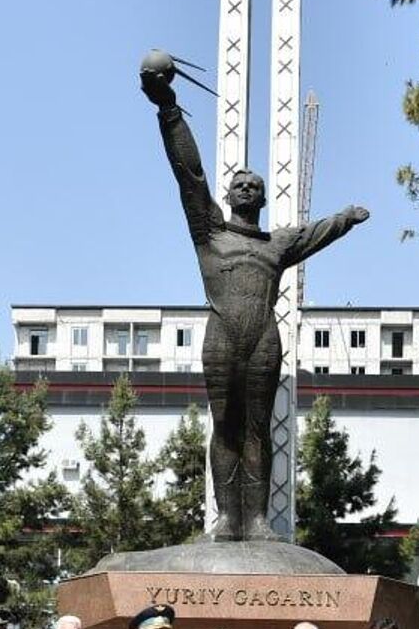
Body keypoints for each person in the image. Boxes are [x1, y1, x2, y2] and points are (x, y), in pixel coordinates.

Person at [139, 53, 368, 540]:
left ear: (262, 200)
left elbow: (317, 232)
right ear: (229, 194)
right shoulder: (209, 232)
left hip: (264, 339)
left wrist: (346, 217)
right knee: (225, 423)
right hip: (221, 337)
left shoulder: (276, 244)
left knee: (258, 427)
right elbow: (189, 174)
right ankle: (225, 517)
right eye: (239, 183)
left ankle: (258, 519)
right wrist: (168, 109)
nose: (245, 187)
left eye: (254, 186)